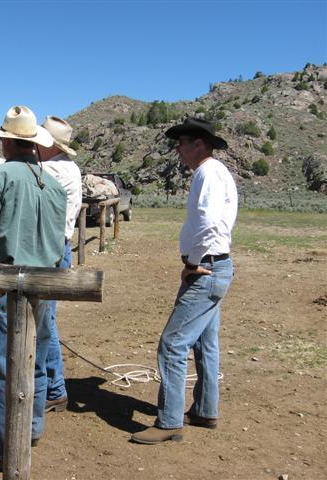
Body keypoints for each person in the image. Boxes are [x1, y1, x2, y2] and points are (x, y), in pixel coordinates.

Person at [0, 106, 67, 470]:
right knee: (34, 359)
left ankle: (6, 445)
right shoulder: (52, 185)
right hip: (44, 284)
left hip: (4, 285)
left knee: (3, 366)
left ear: (6, 140)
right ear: (32, 142)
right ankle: (32, 428)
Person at [0, 116, 82, 413]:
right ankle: (47, 394)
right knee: (42, 325)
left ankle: (35, 402)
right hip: (49, 250)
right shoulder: (53, 171)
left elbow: (8, 173)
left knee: (30, 332)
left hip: (38, 251)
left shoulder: (54, 171)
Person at [131, 118, 238, 444]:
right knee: (206, 342)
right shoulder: (215, 172)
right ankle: (205, 409)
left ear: (200, 144)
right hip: (216, 264)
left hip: (205, 266)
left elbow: (207, 222)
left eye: (182, 141)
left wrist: (192, 262)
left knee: (173, 344)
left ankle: (169, 422)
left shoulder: (207, 173)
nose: (177, 148)